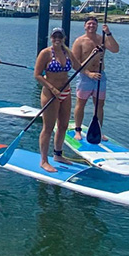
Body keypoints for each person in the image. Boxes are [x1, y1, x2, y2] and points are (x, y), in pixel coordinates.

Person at [34, 27, 87, 172]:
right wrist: (53, 89)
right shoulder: (45, 53)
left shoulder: (68, 53)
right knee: (48, 128)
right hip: (50, 93)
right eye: (54, 36)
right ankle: (44, 160)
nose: (57, 39)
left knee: (63, 125)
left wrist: (95, 55)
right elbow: (37, 75)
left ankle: (58, 154)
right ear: (51, 37)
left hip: (66, 92)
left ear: (64, 38)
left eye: (60, 36)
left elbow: (79, 67)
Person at [72, 16, 119, 141]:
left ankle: (98, 130)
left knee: (99, 105)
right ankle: (78, 130)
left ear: (97, 26)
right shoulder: (79, 41)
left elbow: (115, 49)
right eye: (89, 24)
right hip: (84, 77)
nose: (91, 26)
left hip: (100, 76)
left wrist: (108, 33)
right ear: (85, 26)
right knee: (80, 103)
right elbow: (75, 63)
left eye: (94, 24)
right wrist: (88, 73)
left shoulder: (102, 39)